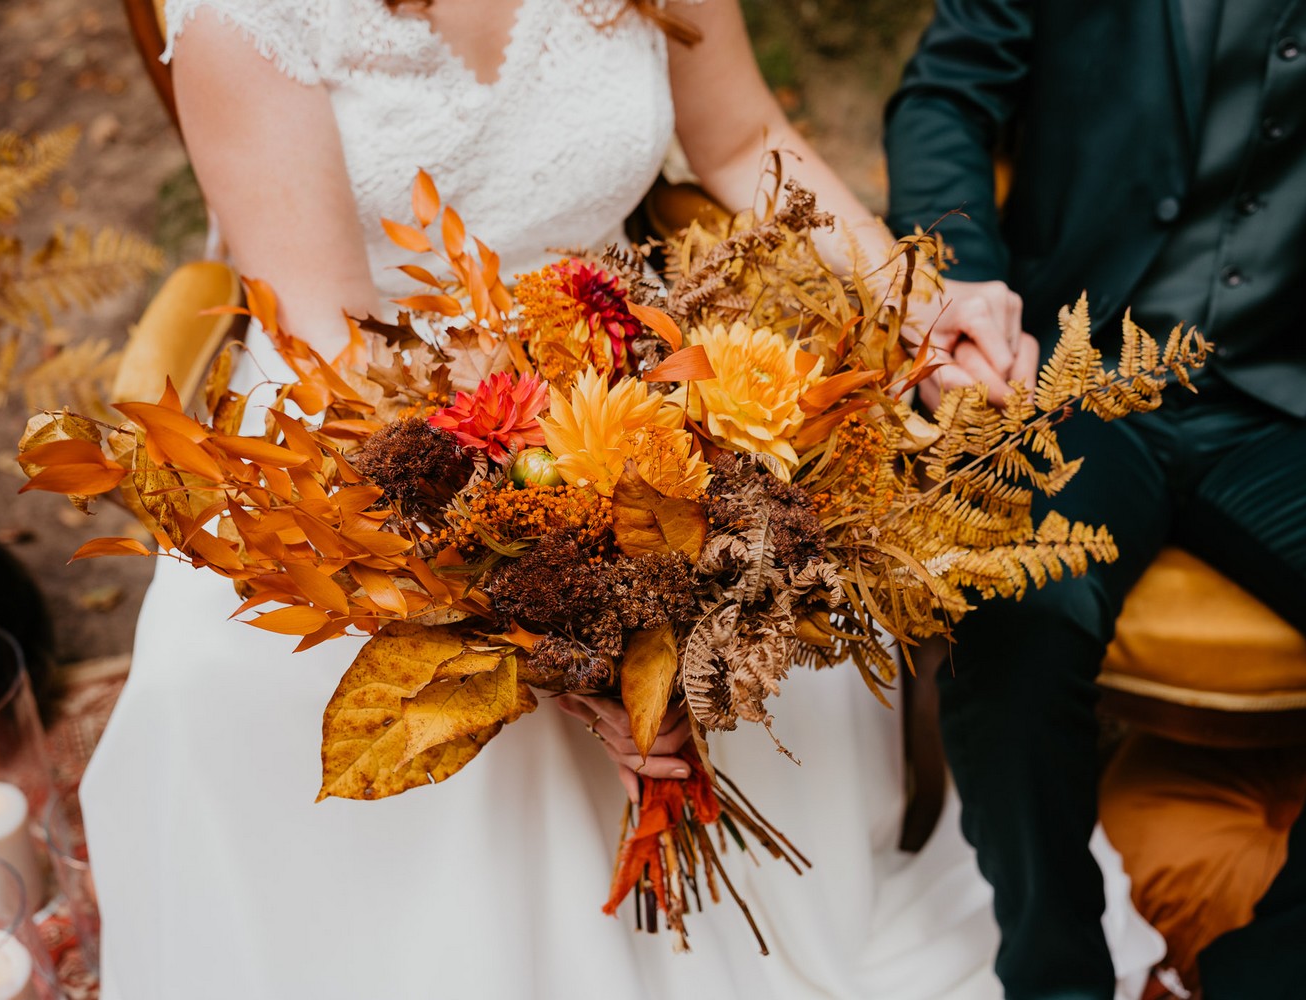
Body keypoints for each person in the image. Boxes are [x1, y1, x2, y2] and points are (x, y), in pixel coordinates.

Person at [81, 2, 1160, 996]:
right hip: (375, 439)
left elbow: (743, 142)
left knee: (769, 560)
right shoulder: (250, 15)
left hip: (632, 376)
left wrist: (919, 304)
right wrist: (551, 611)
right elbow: (337, 351)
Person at [884, 1, 1306, 997]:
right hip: (1075, 368)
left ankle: (1268, 980)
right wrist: (961, 284)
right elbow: (945, 93)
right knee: (1014, 604)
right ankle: (1055, 968)